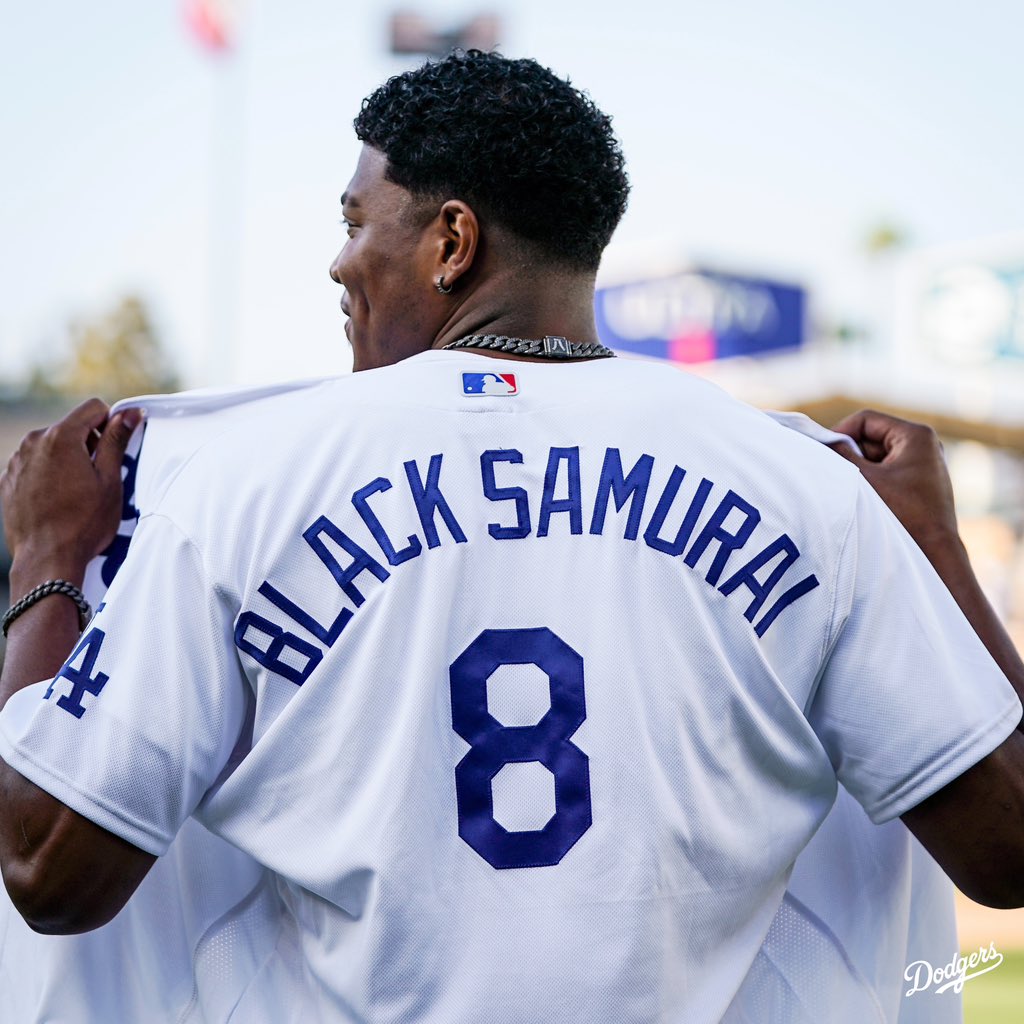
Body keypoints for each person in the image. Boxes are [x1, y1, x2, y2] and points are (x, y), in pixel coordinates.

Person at [1, 50, 1023, 1023]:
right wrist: (935, 554)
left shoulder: (240, 479)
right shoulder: (804, 487)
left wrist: (49, 562)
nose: (337, 260)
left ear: (451, 241)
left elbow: (47, 867)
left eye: (357, 221)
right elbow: (1008, 845)